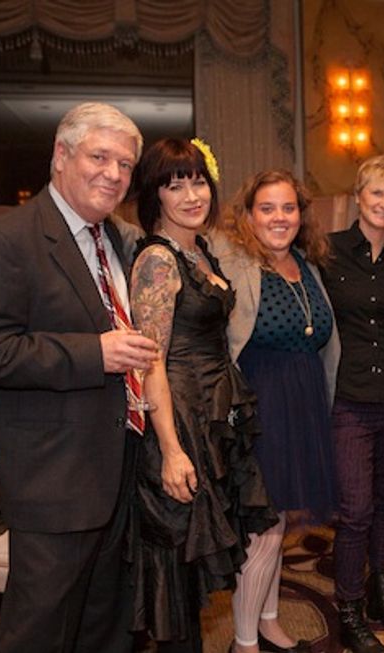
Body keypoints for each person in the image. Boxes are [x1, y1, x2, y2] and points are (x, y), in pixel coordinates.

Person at [0, 102, 158, 653]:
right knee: (41, 629)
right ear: (60, 155)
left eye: (125, 165)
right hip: (53, 477)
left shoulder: (114, 240)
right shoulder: (7, 241)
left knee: (107, 624)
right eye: (99, 157)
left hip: (119, 467)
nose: (114, 174)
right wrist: (93, 353)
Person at [126, 138, 278, 651]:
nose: (192, 196)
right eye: (175, 186)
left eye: (198, 182)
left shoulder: (199, 250)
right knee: (177, 564)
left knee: (197, 565)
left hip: (213, 416)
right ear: (155, 194)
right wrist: (170, 450)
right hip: (179, 421)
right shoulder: (158, 260)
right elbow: (150, 361)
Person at [213, 169, 340, 653]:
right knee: (263, 528)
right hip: (259, 409)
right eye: (267, 208)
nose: (279, 217)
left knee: (280, 523)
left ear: (301, 215)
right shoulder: (232, 261)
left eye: (288, 207)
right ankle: (244, 643)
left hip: (302, 406)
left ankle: (267, 621)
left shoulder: (306, 264)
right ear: (248, 216)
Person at [321, 154, 384, 653]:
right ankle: (349, 607)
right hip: (350, 400)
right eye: (377, 192)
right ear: (359, 195)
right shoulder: (328, 251)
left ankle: (383, 592)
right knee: (355, 509)